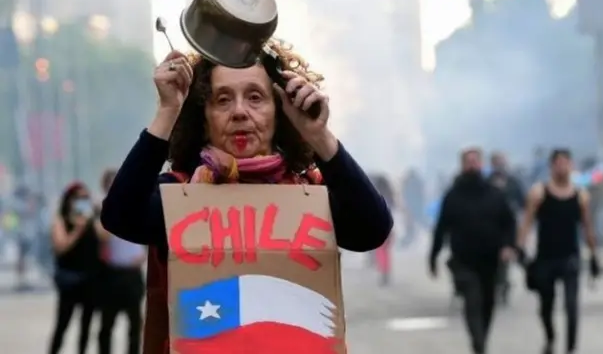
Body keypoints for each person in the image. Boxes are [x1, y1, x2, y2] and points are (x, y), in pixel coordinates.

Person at [100, 41, 393, 353]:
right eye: (222, 100)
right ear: (203, 116)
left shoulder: (310, 192)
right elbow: (120, 216)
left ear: (280, 111)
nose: (239, 112)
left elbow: (372, 229)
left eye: (255, 97)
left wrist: (318, 136)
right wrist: (167, 111)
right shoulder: (179, 194)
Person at [429, 148, 516, 354]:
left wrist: (508, 245)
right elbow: (441, 228)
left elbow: (509, 223)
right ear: (462, 165)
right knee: (472, 300)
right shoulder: (453, 196)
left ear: (481, 164)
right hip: (463, 261)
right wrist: (433, 256)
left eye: (475, 161)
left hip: (490, 261)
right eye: (468, 161)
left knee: (488, 303)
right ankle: (478, 344)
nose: (472, 165)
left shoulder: (495, 194)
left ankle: (482, 340)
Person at [517, 149, 600, 354]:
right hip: (545, 257)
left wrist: (593, 255)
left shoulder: (581, 195)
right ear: (552, 166)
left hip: (570, 257)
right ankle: (550, 337)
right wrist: (521, 247)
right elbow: (526, 222)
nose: (563, 167)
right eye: (559, 163)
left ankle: (571, 348)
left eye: (566, 163)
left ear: (571, 166)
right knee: (546, 305)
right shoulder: (539, 192)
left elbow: (587, 227)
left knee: (572, 307)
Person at [49, 182, 105, 354]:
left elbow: (105, 237)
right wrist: (77, 229)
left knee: (86, 325)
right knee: (63, 323)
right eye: (77, 198)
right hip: (69, 281)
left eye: (85, 198)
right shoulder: (61, 220)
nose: (81, 201)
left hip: (91, 280)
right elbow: (61, 245)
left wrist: (95, 215)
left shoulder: (92, 220)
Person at [98, 169, 146, 354]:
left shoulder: (135, 205)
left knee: (135, 323)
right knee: (106, 323)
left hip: (133, 273)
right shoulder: (102, 209)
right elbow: (101, 234)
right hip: (112, 273)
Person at [488, 151, 525, 306]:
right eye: (497, 162)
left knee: (505, 256)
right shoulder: (486, 182)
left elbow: (522, 201)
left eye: (502, 162)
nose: (500, 165)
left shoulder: (513, 182)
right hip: (489, 225)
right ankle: (495, 284)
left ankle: (503, 284)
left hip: (508, 225)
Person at [370, 174, 395, 286]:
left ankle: (383, 271)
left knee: (381, 251)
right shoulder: (389, 197)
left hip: (378, 227)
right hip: (389, 228)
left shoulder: (376, 196)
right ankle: (385, 271)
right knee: (385, 252)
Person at [400, 169, 426, 248]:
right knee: (417, 222)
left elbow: (405, 194)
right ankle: (412, 239)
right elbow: (421, 194)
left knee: (411, 224)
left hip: (411, 206)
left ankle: (410, 240)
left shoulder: (408, 183)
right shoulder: (417, 182)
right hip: (416, 205)